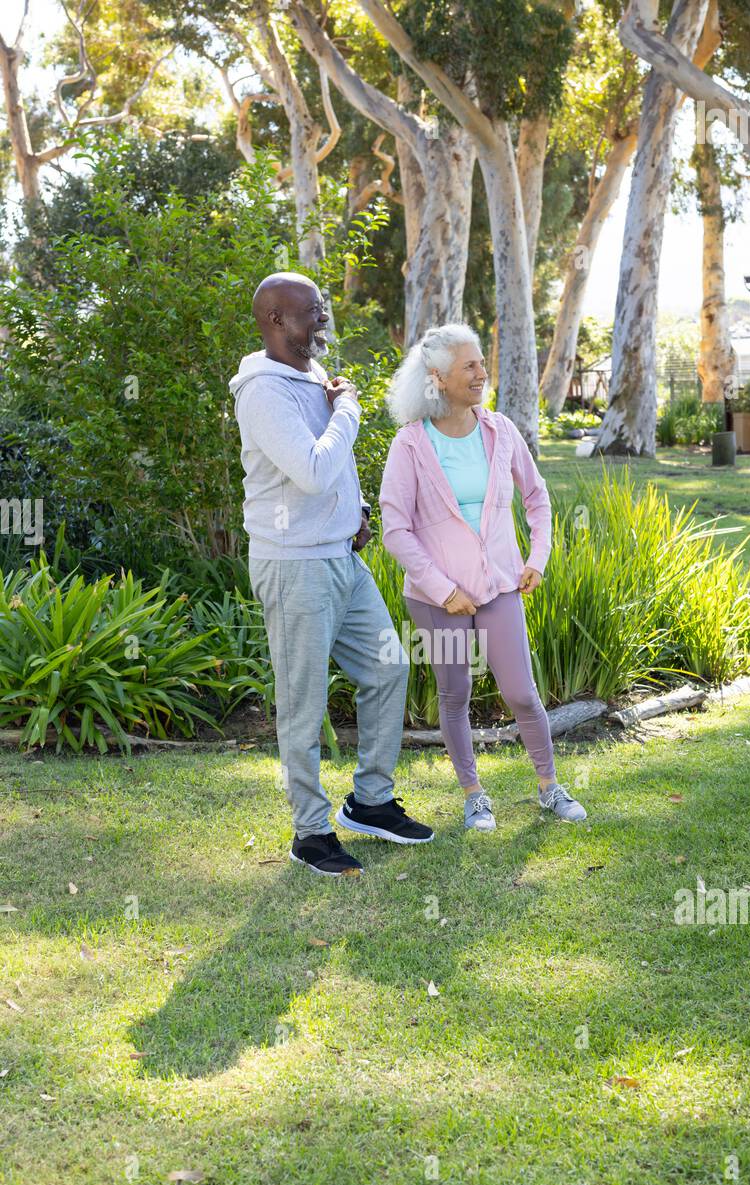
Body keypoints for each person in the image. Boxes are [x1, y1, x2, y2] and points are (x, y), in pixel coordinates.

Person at [229, 272, 433, 876]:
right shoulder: (263, 391)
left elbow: (334, 475)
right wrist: (348, 410)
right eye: (312, 312)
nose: (323, 320)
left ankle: (370, 801)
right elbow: (312, 470)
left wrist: (361, 509)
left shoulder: (313, 375)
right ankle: (310, 832)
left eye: (322, 309)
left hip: (341, 557)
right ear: (275, 321)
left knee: (389, 666)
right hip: (295, 566)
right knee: (303, 703)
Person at [379, 323, 587, 832]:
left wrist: (536, 558)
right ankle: (474, 794)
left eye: (480, 363)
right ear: (438, 378)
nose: (481, 373)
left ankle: (549, 787)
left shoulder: (500, 430)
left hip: (498, 587)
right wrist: (443, 590)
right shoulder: (410, 444)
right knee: (455, 694)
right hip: (437, 599)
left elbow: (537, 498)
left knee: (521, 691)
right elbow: (395, 528)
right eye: (469, 366)